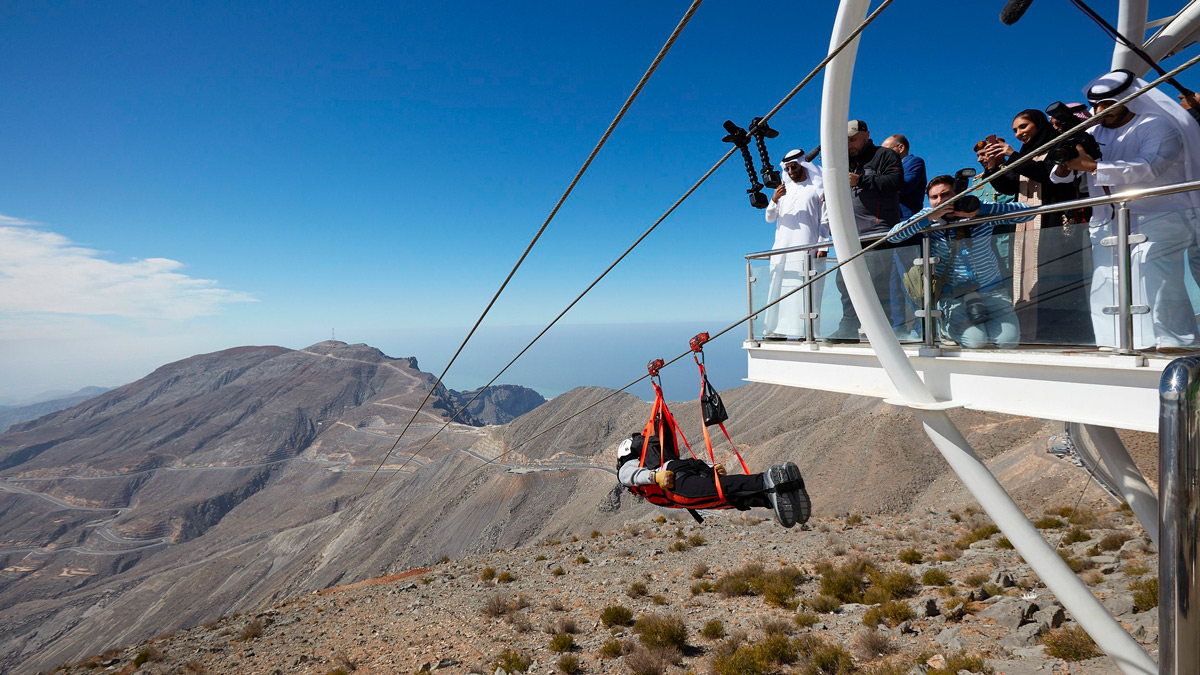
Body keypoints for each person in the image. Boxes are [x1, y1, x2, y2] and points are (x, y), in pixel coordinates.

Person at [1050, 69, 1200, 351]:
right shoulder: (1092, 131)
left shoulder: (1157, 125)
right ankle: (1115, 343)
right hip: (1108, 220)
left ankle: (1176, 343)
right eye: (1096, 105)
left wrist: (1094, 167)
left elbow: (1150, 167)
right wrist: (1065, 160)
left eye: (1107, 104)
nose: (1099, 111)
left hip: (1160, 215)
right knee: (1106, 282)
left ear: (1128, 99)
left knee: (1155, 275)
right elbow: (1060, 178)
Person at [984, 110, 1093, 346]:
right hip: (1027, 224)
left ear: (1039, 124)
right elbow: (1008, 186)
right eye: (1015, 130)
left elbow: (1047, 176)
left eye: (1023, 127)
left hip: (1053, 220)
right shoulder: (1024, 153)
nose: (1019, 133)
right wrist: (993, 167)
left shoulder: (1056, 145)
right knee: (1025, 277)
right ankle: (1032, 334)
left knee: (1054, 278)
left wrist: (1012, 155)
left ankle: (1063, 334)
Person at [886, 175, 1034, 348]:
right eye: (934, 197)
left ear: (957, 194)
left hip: (991, 291)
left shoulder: (978, 210)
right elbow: (893, 236)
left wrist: (981, 211)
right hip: (952, 296)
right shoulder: (930, 218)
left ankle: (976, 328)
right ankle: (945, 328)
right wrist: (929, 218)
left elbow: (1028, 212)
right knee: (976, 341)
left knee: (1007, 341)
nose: (940, 201)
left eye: (945, 194)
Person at [616, 432, 810, 528]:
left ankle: (766, 480)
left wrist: (654, 477)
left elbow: (627, 476)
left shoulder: (629, 464)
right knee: (727, 498)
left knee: (722, 491)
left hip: (675, 484)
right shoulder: (652, 458)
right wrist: (710, 467)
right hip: (686, 467)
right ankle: (781, 492)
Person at [828, 120, 907, 343]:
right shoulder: (845, 161)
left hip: (878, 230)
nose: (849, 145)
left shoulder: (885, 155)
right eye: (845, 141)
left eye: (852, 139)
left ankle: (883, 331)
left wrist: (861, 179)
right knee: (844, 282)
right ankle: (849, 328)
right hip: (849, 234)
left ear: (866, 135)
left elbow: (896, 181)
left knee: (878, 283)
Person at [762, 149, 829, 339]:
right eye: (787, 168)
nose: (790, 171)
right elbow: (769, 218)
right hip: (782, 248)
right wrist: (774, 199)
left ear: (803, 165)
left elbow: (824, 221)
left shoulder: (817, 189)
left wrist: (823, 246)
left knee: (806, 289)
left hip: (807, 247)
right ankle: (774, 330)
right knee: (778, 287)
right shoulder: (783, 191)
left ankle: (805, 332)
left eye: (794, 166)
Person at [881, 134, 928, 331]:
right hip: (891, 231)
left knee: (911, 282)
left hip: (908, 229)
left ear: (900, 148)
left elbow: (903, 186)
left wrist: (875, 183)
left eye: (887, 150)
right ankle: (898, 328)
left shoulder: (913, 162)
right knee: (892, 286)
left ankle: (921, 329)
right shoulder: (890, 170)